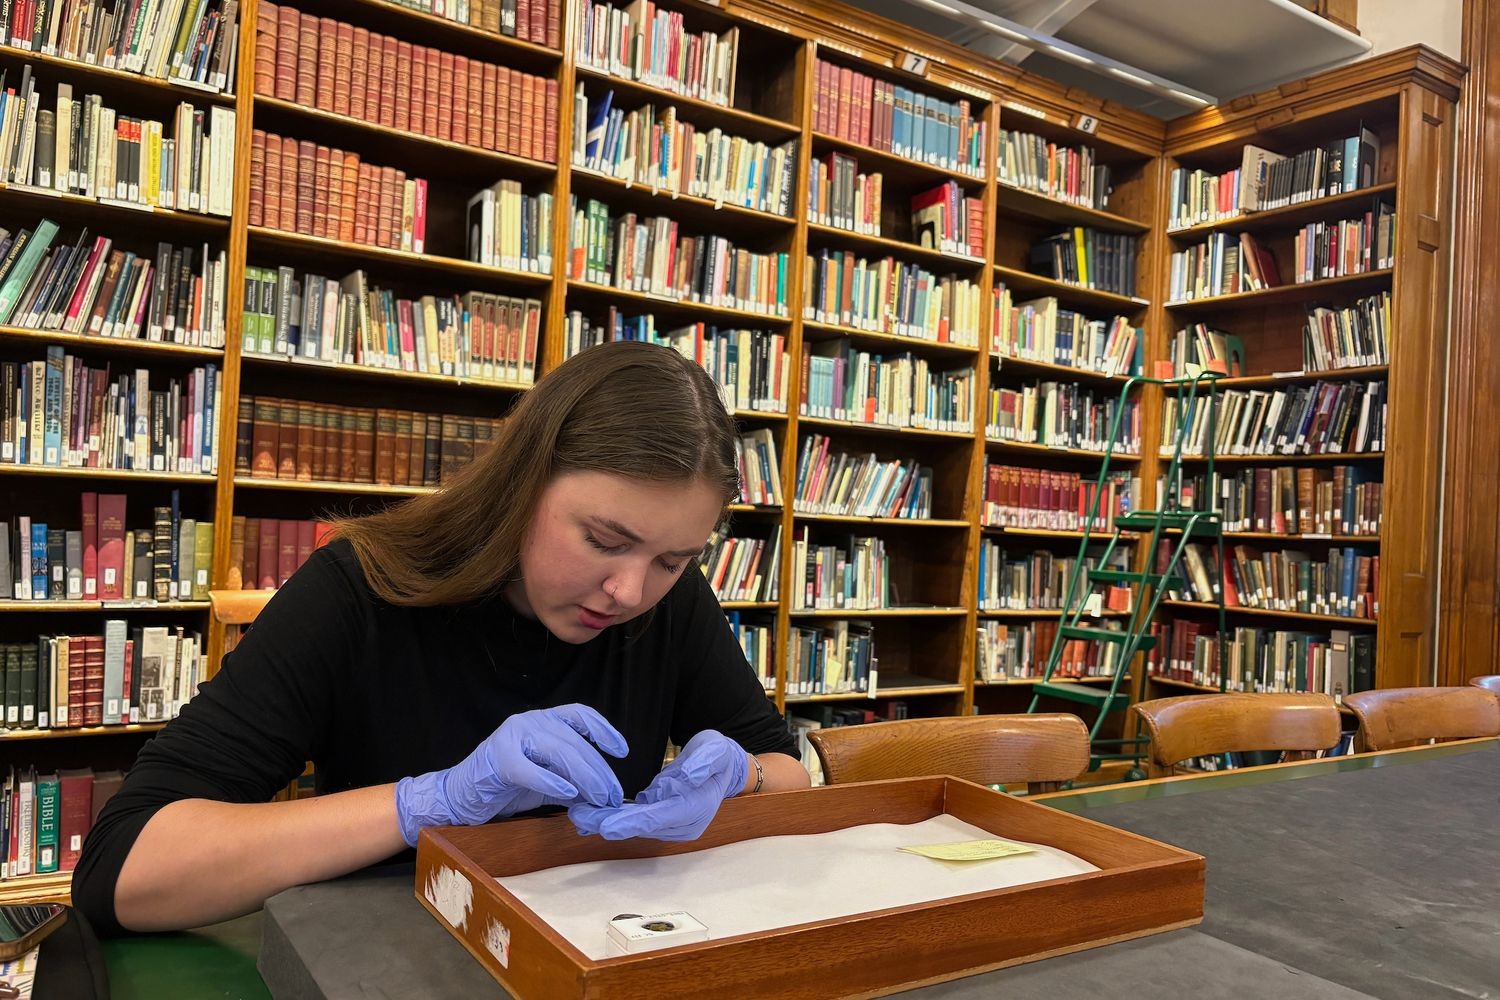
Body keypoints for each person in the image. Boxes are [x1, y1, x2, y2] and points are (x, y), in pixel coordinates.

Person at [73, 341, 809, 935]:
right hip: (394, 958)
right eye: (603, 539)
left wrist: (741, 777)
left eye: (672, 560)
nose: (629, 591)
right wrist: (428, 803)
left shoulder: (669, 606)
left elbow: (789, 774)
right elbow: (123, 874)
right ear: (524, 482)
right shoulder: (358, 590)